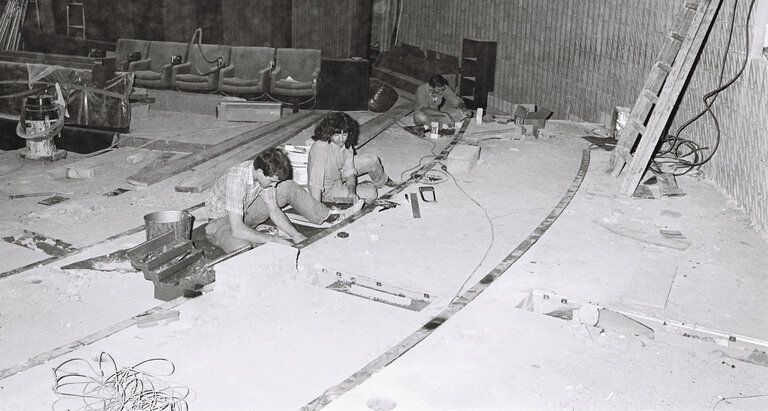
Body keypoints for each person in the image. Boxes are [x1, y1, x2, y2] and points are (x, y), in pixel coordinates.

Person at [205, 147, 363, 253]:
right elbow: (237, 229)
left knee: (287, 186)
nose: (274, 185)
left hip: (246, 211)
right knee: (243, 248)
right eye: (272, 181)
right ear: (260, 172)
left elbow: (273, 209)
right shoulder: (236, 179)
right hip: (222, 222)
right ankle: (254, 238)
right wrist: (273, 239)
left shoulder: (263, 177)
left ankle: (329, 216)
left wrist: (295, 235)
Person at [307, 111, 397, 204]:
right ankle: (352, 190)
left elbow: (349, 172)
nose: (341, 139)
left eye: (344, 134)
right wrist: (318, 208)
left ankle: (382, 181)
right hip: (328, 189)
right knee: (371, 193)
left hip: (339, 174)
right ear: (329, 133)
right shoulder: (320, 148)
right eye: (337, 135)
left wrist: (352, 192)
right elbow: (315, 185)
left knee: (372, 159)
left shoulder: (346, 145)